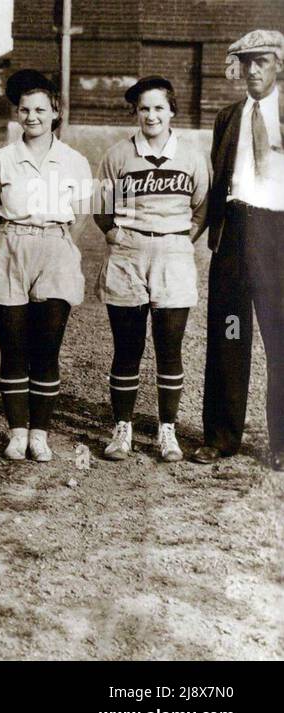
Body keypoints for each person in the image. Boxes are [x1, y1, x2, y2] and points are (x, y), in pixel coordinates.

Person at [0, 69, 93, 462]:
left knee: (46, 348)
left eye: (40, 109)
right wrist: (16, 239)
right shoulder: (1, 160)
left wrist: (54, 246)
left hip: (57, 249)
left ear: (55, 112)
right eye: (24, 109)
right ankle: (16, 432)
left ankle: (40, 434)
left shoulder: (74, 161)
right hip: (11, 246)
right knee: (11, 347)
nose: (32, 117)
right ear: (17, 113)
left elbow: (80, 215)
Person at [94, 76, 209, 462]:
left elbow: (202, 205)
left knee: (169, 348)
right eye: (144, 108)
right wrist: (114, 233)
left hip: (173, 252)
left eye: (159, 107)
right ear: (136, 113)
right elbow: (101, 206)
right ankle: (122, 428)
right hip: (129, 251)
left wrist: (184, 236)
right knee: (128, 348)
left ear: (172, 111)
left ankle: (167, 430)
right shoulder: (117, 155)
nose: (151, 115)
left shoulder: (191, 155)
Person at [195, 29, 284, 472]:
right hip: (234, 234)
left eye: (262, 61)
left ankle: (281, 445)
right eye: (247, 61)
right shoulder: (228, 117)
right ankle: (221, 437)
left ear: (278, 66)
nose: (253, 70)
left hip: (278, 234)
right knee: (229, 333)